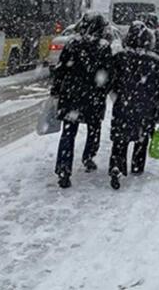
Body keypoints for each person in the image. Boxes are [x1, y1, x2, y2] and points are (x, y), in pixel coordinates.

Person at [51, 13, 113, 189]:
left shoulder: (72, 44)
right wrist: (103, 89)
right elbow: (108, 74)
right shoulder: (103, 47)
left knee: (68, 132)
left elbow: (61, 69)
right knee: (94, 128)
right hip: (93, 97)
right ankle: (88, 156)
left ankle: (63, 167)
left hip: (71, 95)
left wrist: (56, 90)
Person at [109, 22, 159, 190]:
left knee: (120, 139)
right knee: (141, 138)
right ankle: (137, 166)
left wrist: (116, 94)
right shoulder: (156, 61)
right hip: (146, 107)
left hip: (123, 104)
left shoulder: (120, 58)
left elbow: (111, 81)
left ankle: (116, 166)